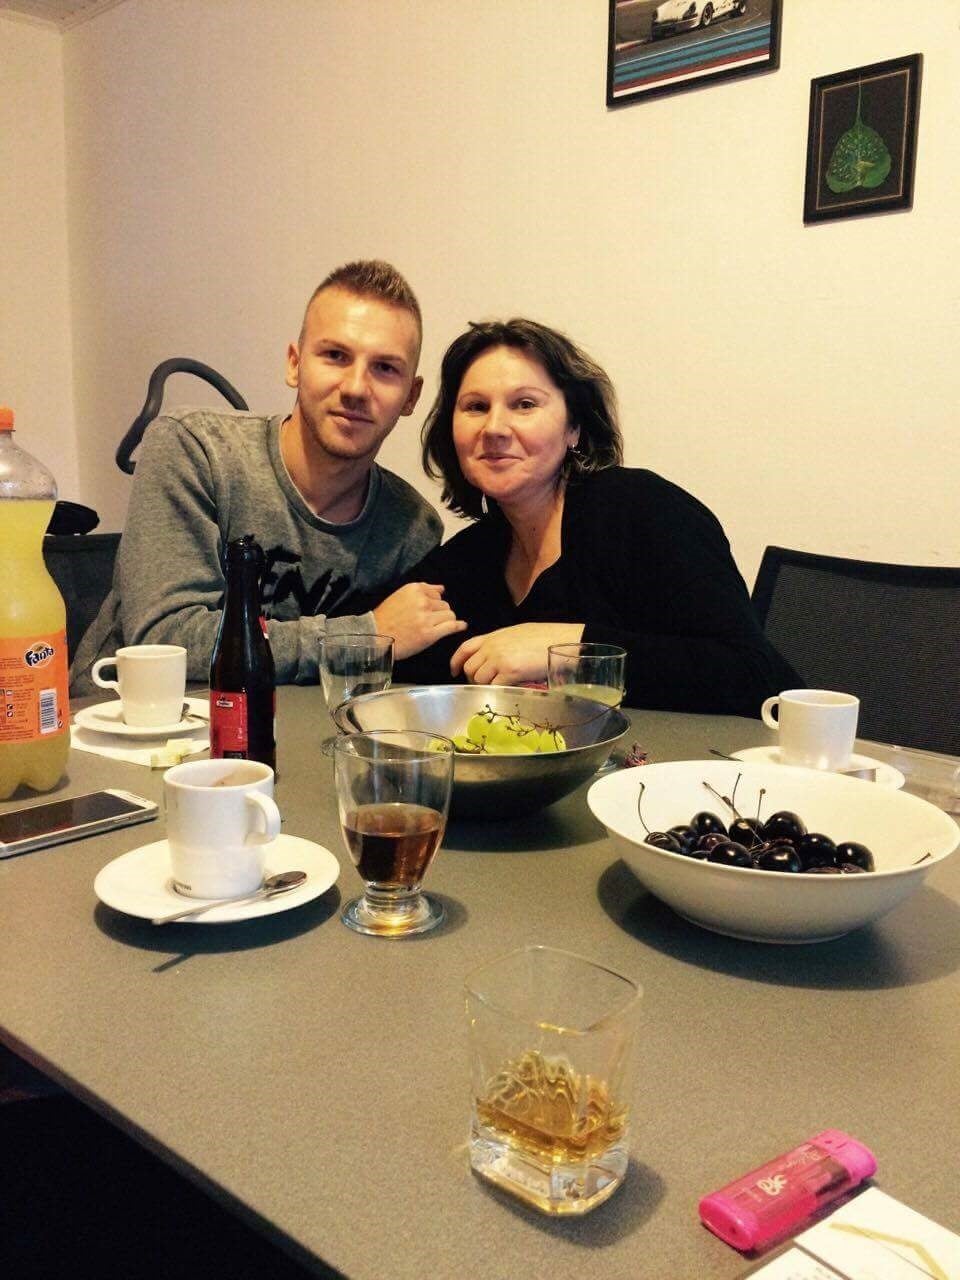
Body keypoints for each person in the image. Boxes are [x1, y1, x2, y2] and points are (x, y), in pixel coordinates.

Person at [71, 260, 465, 693]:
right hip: (128, 728)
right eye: (335, 356)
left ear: (410, 396)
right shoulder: (196, 450)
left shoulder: (411, 527)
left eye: (385, 368)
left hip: (288, 741)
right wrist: (368, 633)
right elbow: (167, 639)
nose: (355, 388)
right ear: (295, 364)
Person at [377, 317, 799, 715]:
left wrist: (568, 646)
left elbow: (757, 675)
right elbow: (407, 657)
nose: (495, 428)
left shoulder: (645, 512)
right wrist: (381, 630)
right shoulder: (475, 553)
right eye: (475, 407)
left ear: (574, 428)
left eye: (524, 404)